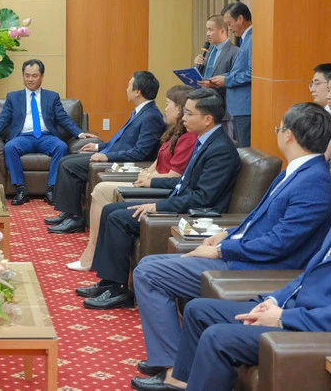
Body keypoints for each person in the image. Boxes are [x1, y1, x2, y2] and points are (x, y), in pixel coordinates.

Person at [133, 134, 331, 391]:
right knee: (198, 309)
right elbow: (308, 274)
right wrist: (276, 301)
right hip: (296, 310)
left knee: (218, 337)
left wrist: (283, 317)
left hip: (327, 330)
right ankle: (182, 382)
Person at [131, 102, 331, 379]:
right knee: (153, 266)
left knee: (149, 272)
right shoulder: (295, 172)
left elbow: (281, 242)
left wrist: (221, 250)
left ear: (288, 135)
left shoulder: (315, 181)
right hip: (243, 254)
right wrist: (227, 233)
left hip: (260, 268)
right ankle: (177, 362)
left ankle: (172, 367)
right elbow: (259, 219)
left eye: (279, 128)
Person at [77, 89, 241, 310]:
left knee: (119, 219)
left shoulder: (221, 150)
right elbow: (184, 182)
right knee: (111, 210)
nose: (183, 118)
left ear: (207, 119)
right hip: (180, 201)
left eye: (189, 114)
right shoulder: (205, 141)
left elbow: (202, 198)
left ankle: (119, 291)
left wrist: (157, 205)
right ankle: (108, 282)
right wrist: (153, 183)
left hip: (195, 215)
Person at [67, 85, 196, 272]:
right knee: (101, 189)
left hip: (160, 188)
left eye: (168, 104)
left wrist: (150, 177)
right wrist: (148, 172)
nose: (165, 108)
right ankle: (92, 250)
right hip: (151, 180)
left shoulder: (188, 138)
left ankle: (93, 252)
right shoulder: (175, 132)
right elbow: (158, 160)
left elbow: (174, 175)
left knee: (103, 191)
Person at [46, 71, 166, 234]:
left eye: (129, 85)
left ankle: (75, 219)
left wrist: (107, 156)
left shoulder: (151, 116)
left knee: (69, 166)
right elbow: (120, 140)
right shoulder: (140, 111)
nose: (126, 89)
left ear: (138, 91)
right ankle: (68, 213)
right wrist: (97, 147)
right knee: (65, 160)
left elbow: (140, 153)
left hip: (118, 161)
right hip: (111, 155)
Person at [0, 59, 98, 205]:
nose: (30, 79)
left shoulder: (52, 97)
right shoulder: (13, 97)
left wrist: (80, 133)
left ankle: (51, 189)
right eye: (27, 75)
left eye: (34, 76)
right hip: (23, 137)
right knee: (9, 147)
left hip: (46, 137)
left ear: (41, 77)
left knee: (62, 147)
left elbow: (63, 118)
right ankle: (21, 189)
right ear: (23, 76)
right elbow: (3, 118)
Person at [200, 1, 252, 147]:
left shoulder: (252, 38)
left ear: (240, 19)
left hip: (243, 107)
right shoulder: (246, 39)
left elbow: (252, 73)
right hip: (237, 106)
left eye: (229, 23)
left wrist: (226, 80)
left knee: (244, 150)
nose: (229, 28)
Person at [193, 15, 238, 81]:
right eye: (207, 30)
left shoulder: (235, 52)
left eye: (210, 30)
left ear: (222, 31)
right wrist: (197, 64)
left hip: (218, 90)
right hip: (201, 89)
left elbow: (234, 78)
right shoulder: (208, 48)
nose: (207, 34)